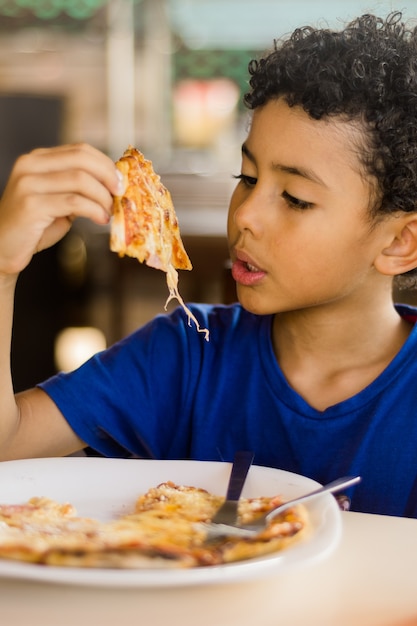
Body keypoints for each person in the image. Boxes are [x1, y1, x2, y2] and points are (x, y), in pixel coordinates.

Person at [1, 12, 417, 517]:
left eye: (295, 198)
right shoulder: (184, 354)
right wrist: (3, 268)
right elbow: (10, 441)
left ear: (401, 241)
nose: (245, 215)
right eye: (246, 176)